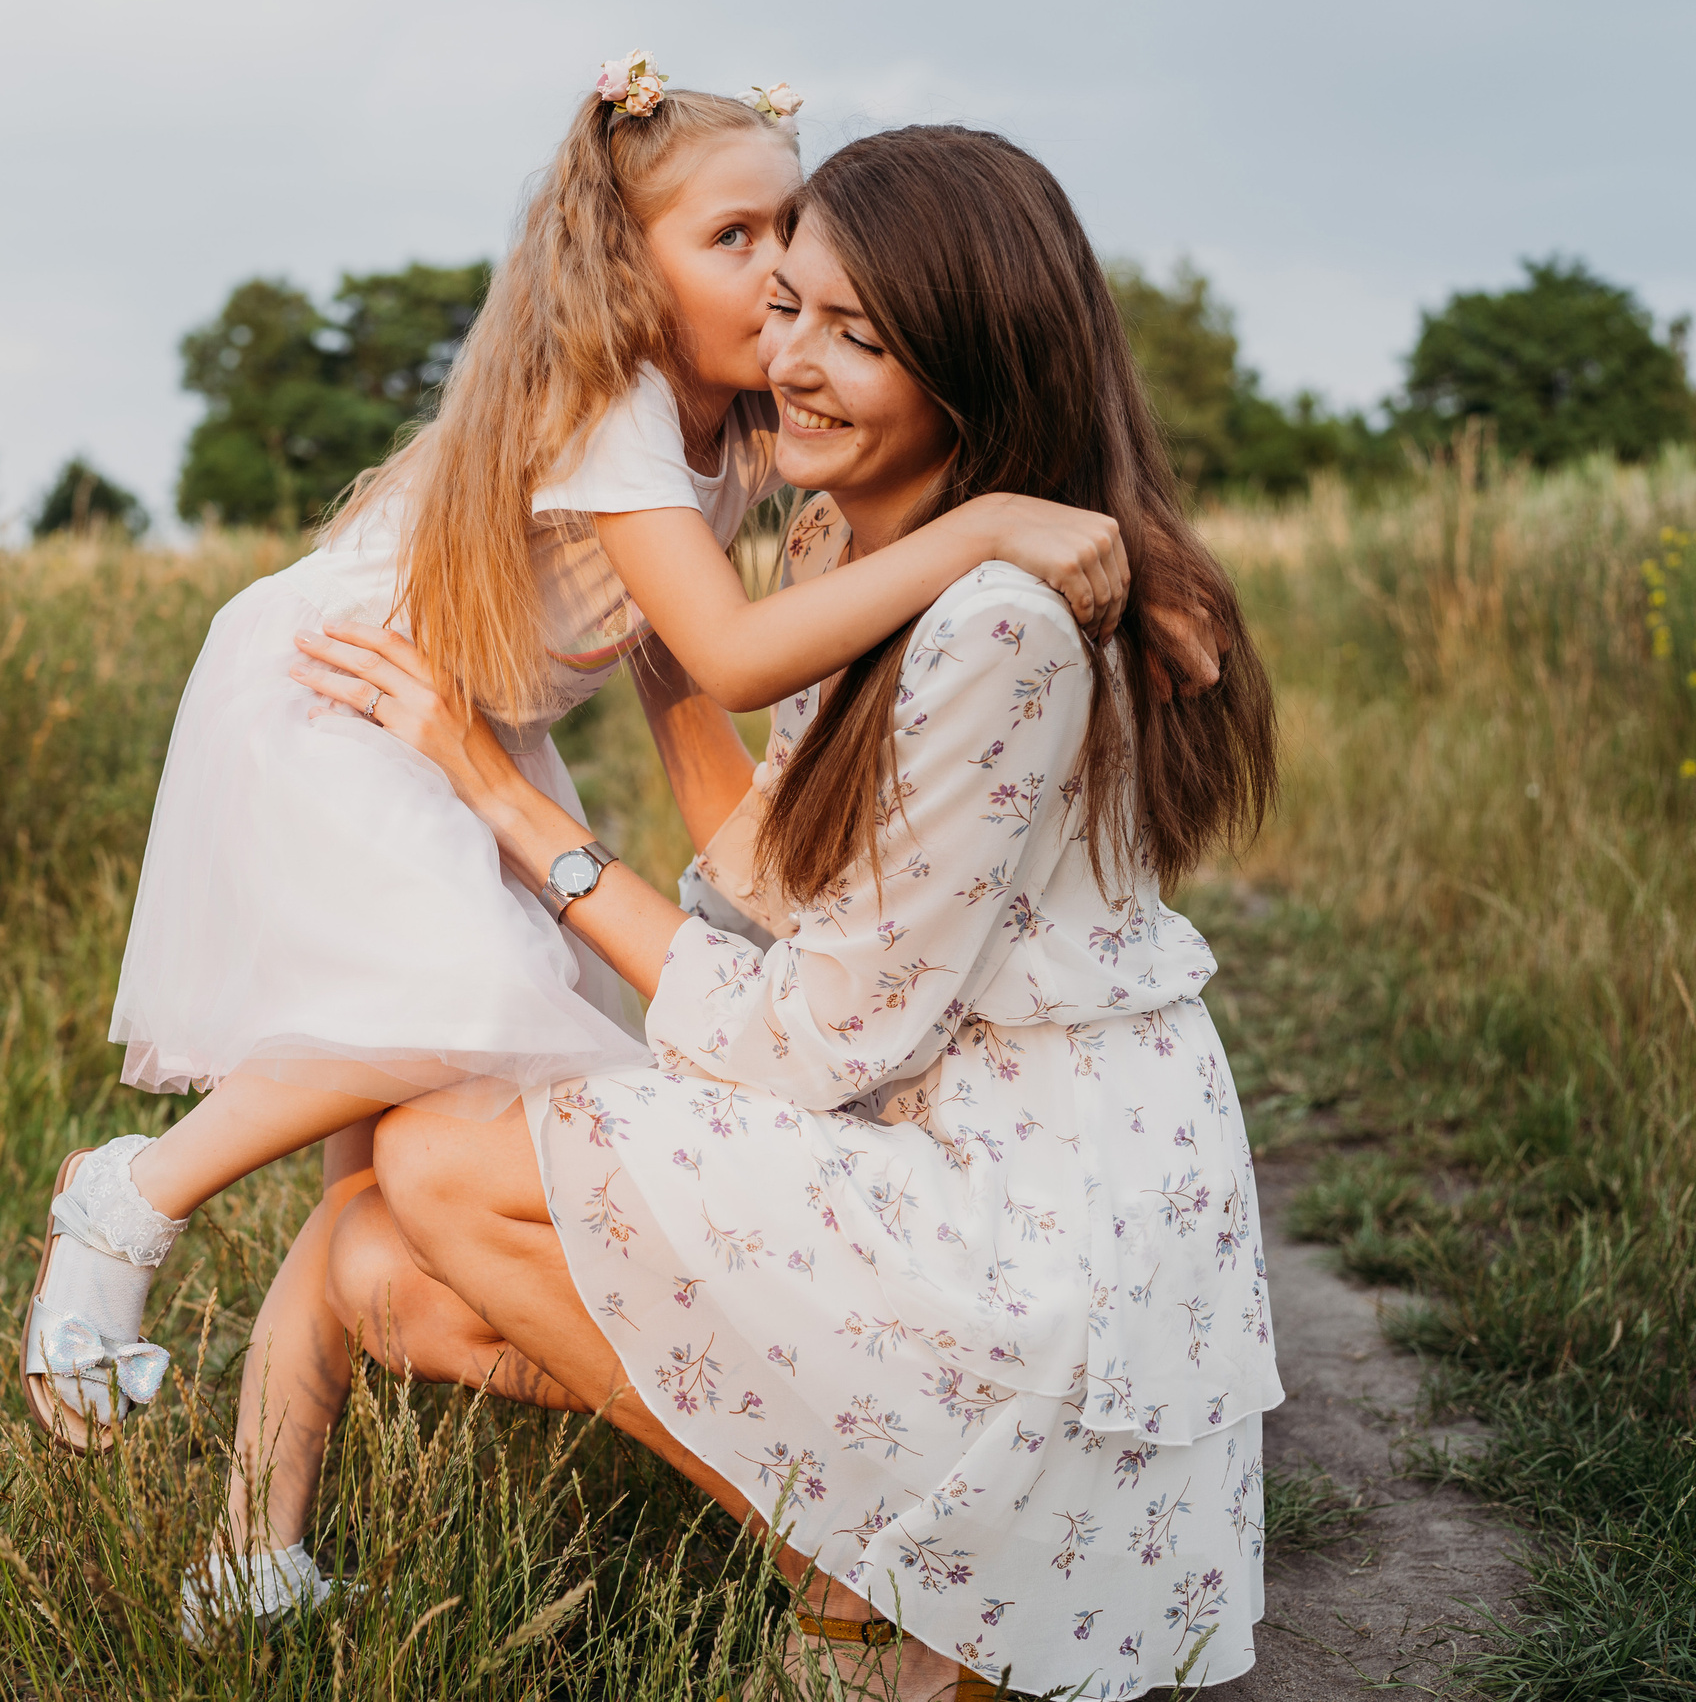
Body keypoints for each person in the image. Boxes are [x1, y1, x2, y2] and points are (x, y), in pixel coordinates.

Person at [23, 53, 1156, 1540]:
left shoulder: (739, 429)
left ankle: (254, 1547)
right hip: (345, 699)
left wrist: (1154, 589)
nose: (775, 282)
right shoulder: (620, 407)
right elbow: (739, 657)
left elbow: (703, 707)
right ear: (629, 269)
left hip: (464, 723)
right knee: (460, 1009)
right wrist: (999, 523)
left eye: (788, 235)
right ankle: (134, 1191)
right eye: (730, 241)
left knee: (377, 1174)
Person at [300, 124, 1283, 1699]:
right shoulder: (851, 544)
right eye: (788, 312)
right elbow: (772, 877)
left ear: (976, 366)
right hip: (912, 1122)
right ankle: (877, 1545)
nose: (793, 363)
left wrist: (500, 797)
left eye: (858, 335)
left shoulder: (1004, 625)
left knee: (429, 1163)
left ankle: (881, 1588)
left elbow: (812, 1039)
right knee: (376, 1273)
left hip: (1027, 1207)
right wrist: (657, 642)